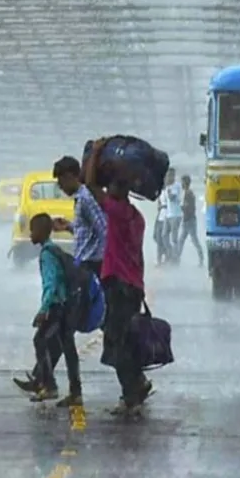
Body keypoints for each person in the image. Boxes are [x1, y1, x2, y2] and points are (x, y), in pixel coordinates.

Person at [13, 155, 106, 397]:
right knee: (61, 333)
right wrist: (70, 227)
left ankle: (56, 385)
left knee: (64, 333)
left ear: (71, 176)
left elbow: (103, 230)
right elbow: (88, 231)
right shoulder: (80, 201)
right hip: (81, 269)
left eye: (61, 182)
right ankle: (44, 379)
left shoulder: (85, 199)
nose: (60, 188)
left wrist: (90, 261)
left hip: (86, 272)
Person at [84, 138, 152, 417]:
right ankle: (137, 384)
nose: (107, 189)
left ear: (118, 191)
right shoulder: (137, 217)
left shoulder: (117, 211)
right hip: (133, 285)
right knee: (125, 339)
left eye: (111, 186)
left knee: (117, 340)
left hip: (119, 286)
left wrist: (97, 151)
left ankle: (131, 394)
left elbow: (89, 186)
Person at [28, 213, 82, 407]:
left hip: (57, 306)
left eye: (32, 230)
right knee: (68, 347)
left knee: (40, 340)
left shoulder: (47, 254)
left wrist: (43, 310)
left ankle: (49, 385)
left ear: (42, 232)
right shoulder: (55, 250)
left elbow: (51, 285)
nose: (29, 234)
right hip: (67, 304)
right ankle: (75, 391)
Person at [177, 175, 204, 267]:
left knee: (193, 240)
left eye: (182, 182)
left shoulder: (188, 193)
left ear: (185, 183)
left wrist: (181, 207)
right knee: (183, 240)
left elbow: (189, 207)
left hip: (189, 220)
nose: (181, 184)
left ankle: (201, 259)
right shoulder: (187, 193)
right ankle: (177, 259)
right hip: (188, 220)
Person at [162, 168, 183, 262]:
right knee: (164, 235)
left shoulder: (176, 186)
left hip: (176, 214)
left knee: (174, 238)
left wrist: (168, 189)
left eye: (171, 175)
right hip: (168, 214)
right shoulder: (167, 187)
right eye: (168, 175)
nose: (169, 177)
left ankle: (176, 258)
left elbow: (172, 198)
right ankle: (170, 254)